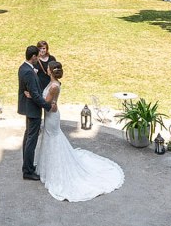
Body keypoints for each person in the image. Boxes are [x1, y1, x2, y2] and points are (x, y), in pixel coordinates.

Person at [35, 62, 124, 201]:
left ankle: (55, 171)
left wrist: (32, 96)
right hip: (51, 115)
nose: (46, 69)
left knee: (53, 138)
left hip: (52, 116)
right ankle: (49, 169)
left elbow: (45, 103)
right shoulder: (55, 83)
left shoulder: (53, 86)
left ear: (51, 71)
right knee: (50, 138)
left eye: (48, 68)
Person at [17, 45, 51, 181]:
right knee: (31, 140)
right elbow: (36, 95)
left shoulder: (23, 68)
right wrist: (47, 106)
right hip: (33, 109)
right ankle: (28, 170)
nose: (39, 58)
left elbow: (31, 91)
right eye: (37, 56)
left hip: (28, 107)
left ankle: (28, 165)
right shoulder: (29, 72)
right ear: (33, 57)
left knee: (28, 137)